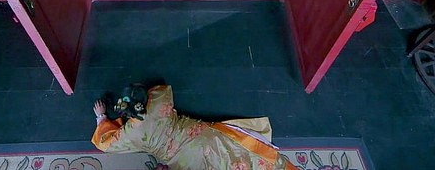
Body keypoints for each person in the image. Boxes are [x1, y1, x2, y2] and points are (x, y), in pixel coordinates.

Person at [92, 84, 298, 170]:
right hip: (199, 137)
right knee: (233, 154)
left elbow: (105, 144)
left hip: (186, 157)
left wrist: (101, 117)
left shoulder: (130, 134)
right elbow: (162, 89)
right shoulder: (158, 105)